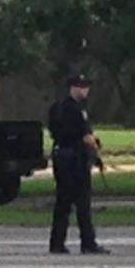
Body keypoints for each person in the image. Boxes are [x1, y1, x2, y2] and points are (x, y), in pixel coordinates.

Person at [47, 74, 110, 255]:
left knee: (63, 203)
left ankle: (57, 242)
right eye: (82, 86)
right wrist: (95, 148)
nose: (86, 90)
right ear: (73, 87)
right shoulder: (75, 108)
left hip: (61, 156)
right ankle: (88, 242)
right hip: (75, 159)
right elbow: (86, 136)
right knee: (83, 203)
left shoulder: (56, 107)